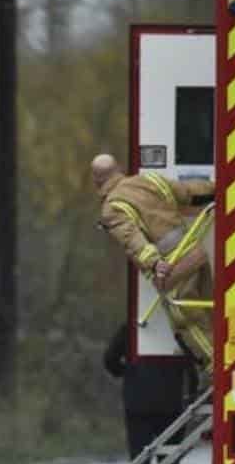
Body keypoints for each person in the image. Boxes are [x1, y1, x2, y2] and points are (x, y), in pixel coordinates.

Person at [91, 153, 215, 368]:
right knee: (210, 315)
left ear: (96, 181)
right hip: (196, 256)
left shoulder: (112, 207)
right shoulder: (149, 181)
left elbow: (133, 241)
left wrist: (155, 264)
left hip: (173, 269)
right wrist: (218, 188)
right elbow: (189, 193)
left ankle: (219, 370)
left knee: (189, 322)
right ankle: (228, 363)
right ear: (118, 168)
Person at [103, 323, 192, 464]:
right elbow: (193, 363)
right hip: (170, 403)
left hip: (138, 402)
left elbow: (109, 359)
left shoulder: (131, 328)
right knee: (169, 460)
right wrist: (193, 393)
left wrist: (127, 373)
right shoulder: (177, 327)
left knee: (139, 459)